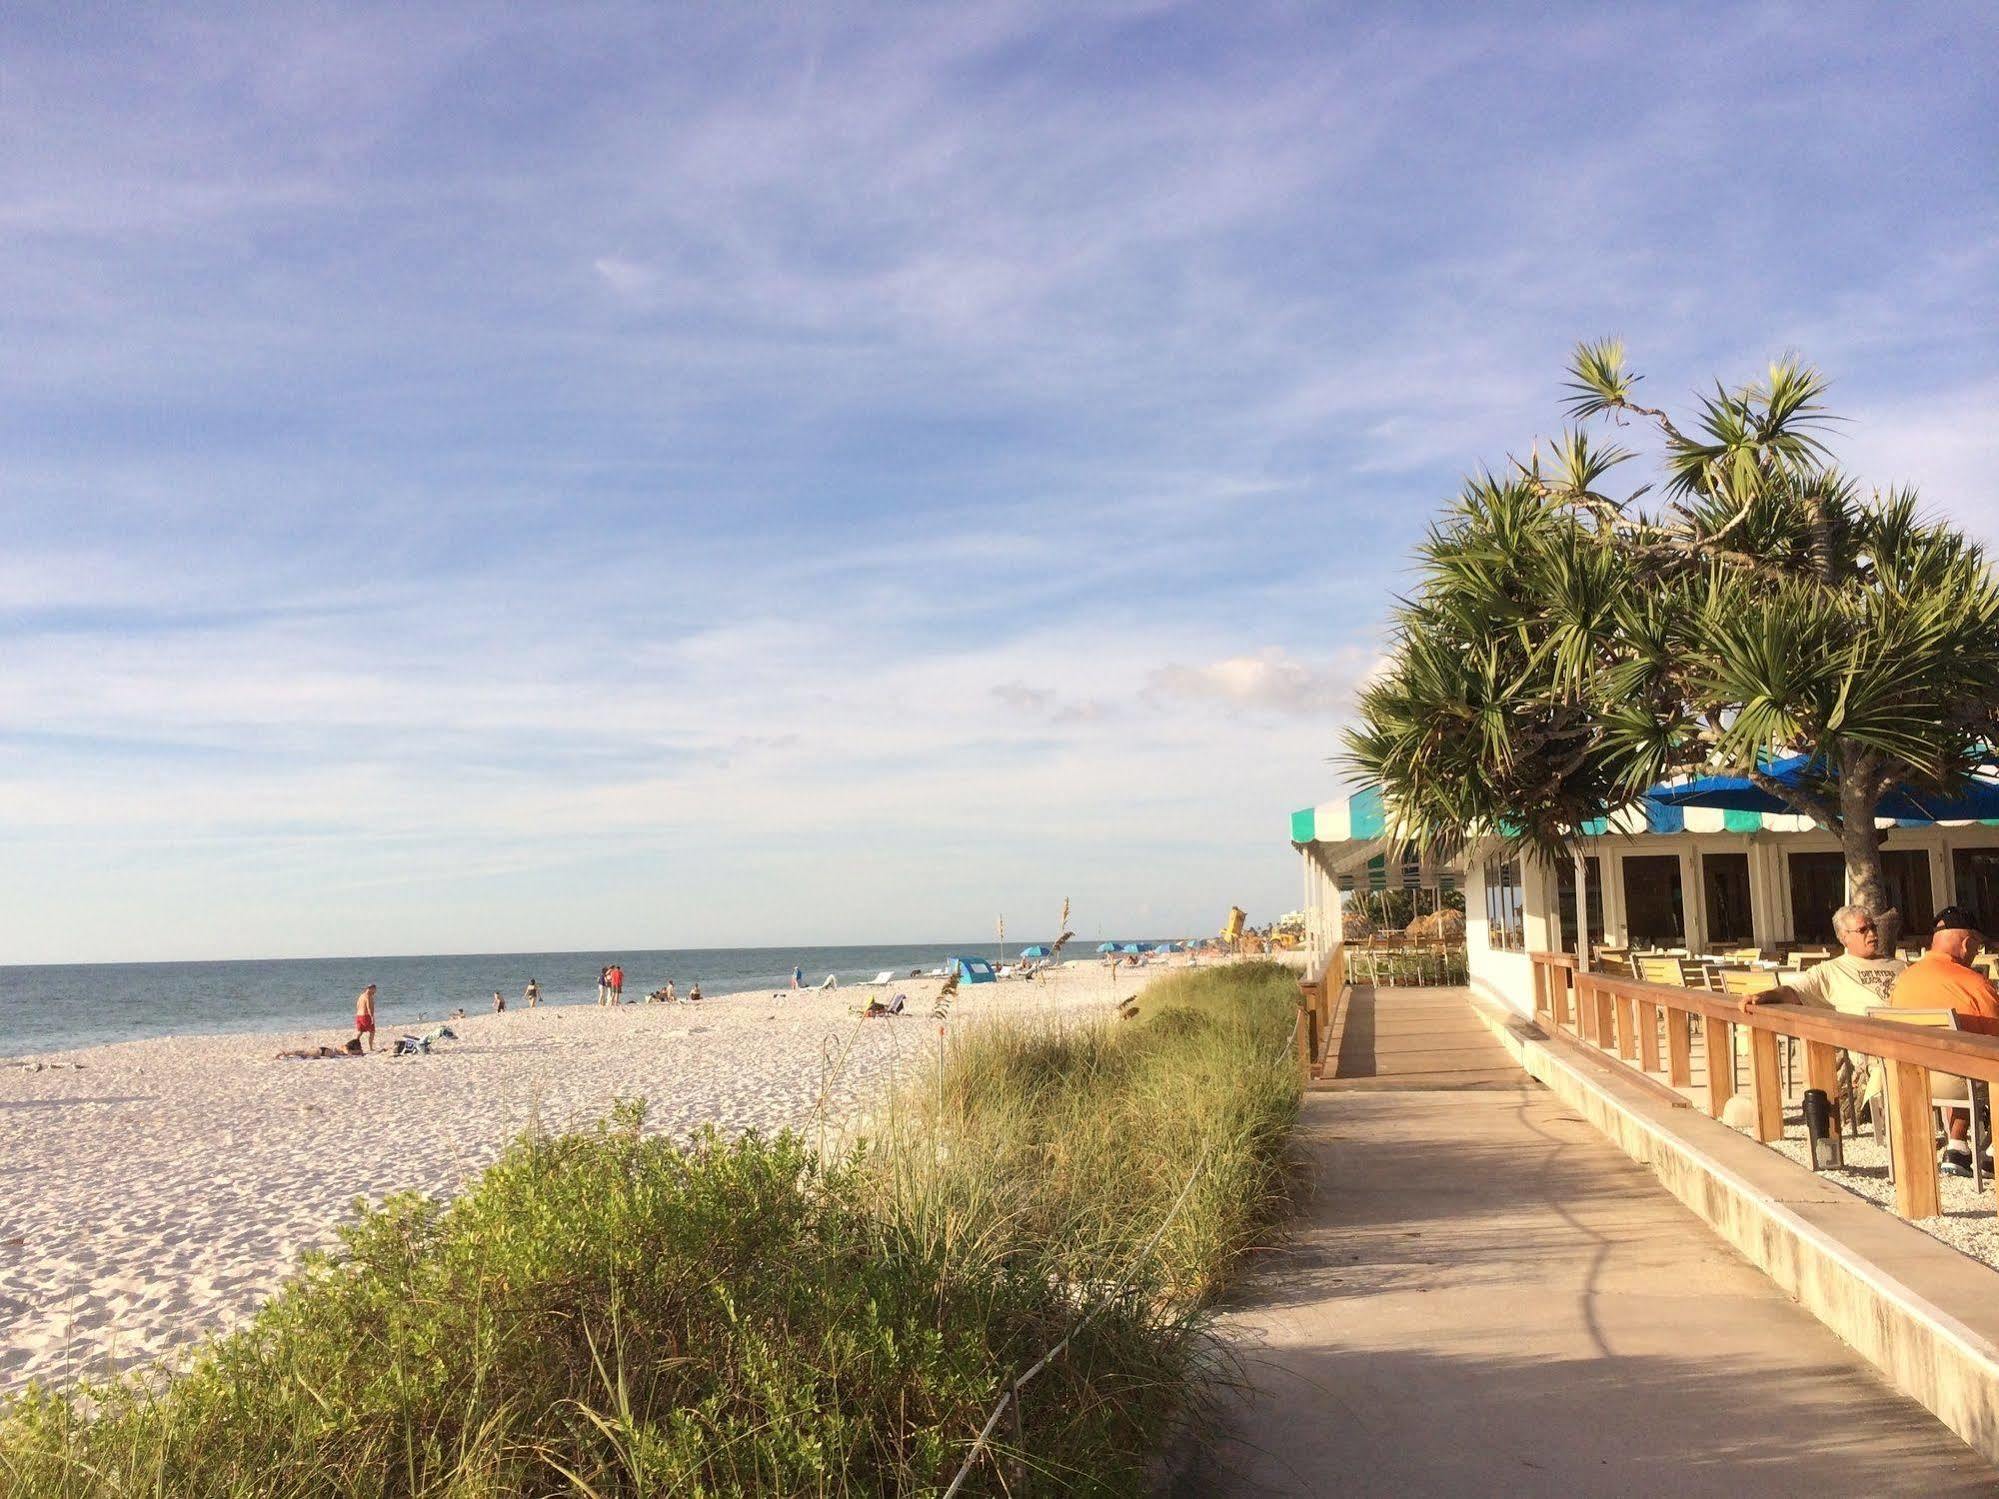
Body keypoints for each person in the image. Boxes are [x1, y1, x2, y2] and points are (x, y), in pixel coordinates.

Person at [1891, 907, 1999, 1176]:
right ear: (1966, 943)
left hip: (1909, 1076)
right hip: (1956, 1081)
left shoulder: (1904, 980)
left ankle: (1957, 1147)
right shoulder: (1973, 983)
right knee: (1981, 1064)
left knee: (1958, 1059)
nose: (1977, 952)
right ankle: (1994, 1150)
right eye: (1977, 946)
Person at [1739, 905, 1905, 1016]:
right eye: (1863, 930)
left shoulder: (1900, 966)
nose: (1872, 934)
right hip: (1875, 1044)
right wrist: (1762, 996)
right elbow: (1794, 991)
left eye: (1873, 927)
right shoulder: (1830, 971)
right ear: (1844, 937)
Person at [354, 983, 378, 1053]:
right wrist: (372, 1017)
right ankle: (370, 1048)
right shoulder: (368, 996)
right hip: (366, 1016)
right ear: (371, 989)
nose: (375, 992)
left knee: (360, 1032)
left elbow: (357, 1006)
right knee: (372, 1031)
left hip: (359, 1015)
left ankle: (355, 1044)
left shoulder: (361, 996)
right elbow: (369, 1007)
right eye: (374, 990)